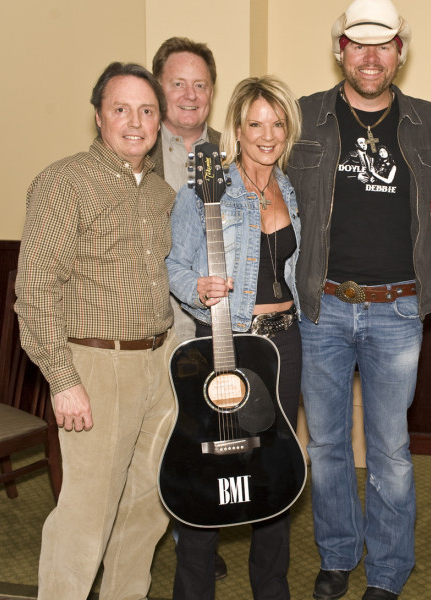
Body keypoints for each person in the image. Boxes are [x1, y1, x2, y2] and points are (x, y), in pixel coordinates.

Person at [286, 0, 431, 600]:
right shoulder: (302, 116)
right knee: (327, 445)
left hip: (398, 310)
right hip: (321, 308)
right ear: (341, 50)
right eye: (359, 43)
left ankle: (387, 570)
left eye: (383, 44)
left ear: (400, 53)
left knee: (391, 450)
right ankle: (337, 555)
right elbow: (254, 168)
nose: (371, 56)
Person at [14, 62, 176, 599]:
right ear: (99, 117)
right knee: (86, 514)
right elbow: (35, 288)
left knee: (146, 508)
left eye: (147, 110)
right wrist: (62, 379)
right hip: (96, 366)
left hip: (158, 361)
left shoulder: (160, 193)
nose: (135, 122)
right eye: (121, 109)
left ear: (159, 120)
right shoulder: (64, 183)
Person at [166, 75, 303, 600]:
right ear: (237, 131)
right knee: (208, 466)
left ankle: (272, 590)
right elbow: (174, 266)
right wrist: (197, 289)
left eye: (277, 124)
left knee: (274, 467)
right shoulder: (206, 190)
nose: (267, 135)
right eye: (255, 124)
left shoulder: (288, 188)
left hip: (283, 345)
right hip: (226, 339)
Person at [151, 35, 228, 581]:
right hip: (150, 321)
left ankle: (195, 534)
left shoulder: (232, 149)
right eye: (177, 83)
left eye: (200, 84)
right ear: (159, 88)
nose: (189, 94)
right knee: (155, 436)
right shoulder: (133, 145)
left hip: (210, 323)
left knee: (203, 432)